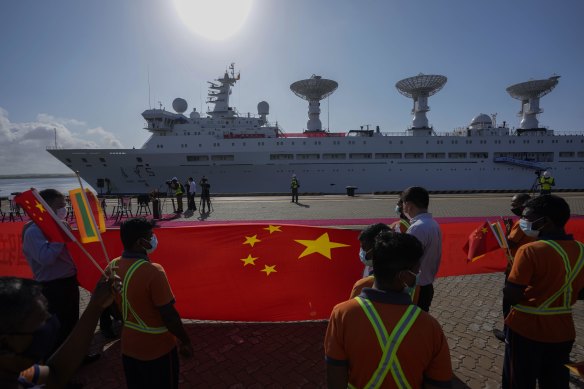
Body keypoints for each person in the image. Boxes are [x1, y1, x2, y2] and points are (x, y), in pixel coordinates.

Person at [325, 231, 453, 389]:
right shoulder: (430, 328)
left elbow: (335, 377)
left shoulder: (342, 314)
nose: (418, 275)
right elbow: (438, 383)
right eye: (416, 270)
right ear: (404, 276)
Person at [502, 195, 584, 389]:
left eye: (527, 218)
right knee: (555, 381)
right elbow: (581, 293)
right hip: (563, 331)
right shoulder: (581, 249)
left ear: (545, 221)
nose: (523, 222)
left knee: (518, 382)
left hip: (526, 329)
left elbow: (511, 296)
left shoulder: (530, 250)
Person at [109, 218, 193, 389]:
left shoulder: (112, 266)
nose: (154, 238)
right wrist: (185, 340)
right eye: (151, 235)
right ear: (141, 242)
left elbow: (111, 305)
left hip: (128, 348)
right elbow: (169, 316)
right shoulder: (153, 271)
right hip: (158, 350)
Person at [0, 275, 118, 389]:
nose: (50, 326)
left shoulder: (20, 374)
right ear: (5, 341)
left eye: (48, 314)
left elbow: (56, 373)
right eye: (40, 323)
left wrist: (96, 306)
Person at [21, 189, 90, 357]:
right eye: (60, 205)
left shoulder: (56, 226)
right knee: (58, 328)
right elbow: (46, 258)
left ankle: (76, 358)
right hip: (52, 286)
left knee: (72, 322)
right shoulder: (34, 231)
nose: (64, 209)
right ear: (46, 207)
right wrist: (60, 236)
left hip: (68, 281)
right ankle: (59, 369)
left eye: (65, 204)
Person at [493, 193, 535, 342]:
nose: (512, 208)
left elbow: (509, 243)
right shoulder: (535, 220)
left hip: (515, 266)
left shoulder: (522, 223)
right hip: (530, 267)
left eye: (514, 205)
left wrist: (506, 230)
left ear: (524, 205)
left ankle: (508, 333)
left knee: (508, 302)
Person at [401, 186, 442, 312]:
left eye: (403, 204)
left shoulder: (417, 228)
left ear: (408, 205)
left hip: (415, 289)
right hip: (426, 285)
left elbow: (406, 259)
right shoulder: (433, 224)